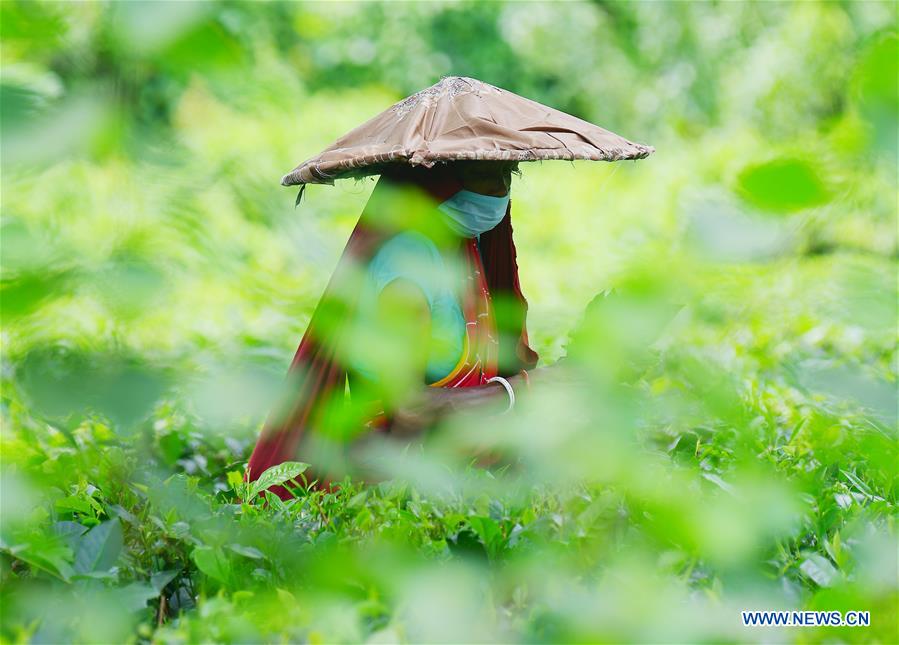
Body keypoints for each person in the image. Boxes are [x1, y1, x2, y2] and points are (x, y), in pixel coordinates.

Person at [247, 161, 540, 497]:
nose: (500, 189)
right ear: (436, 178)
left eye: (508, 173)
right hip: (395, 492)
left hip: (454, 480)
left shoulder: (463, 245)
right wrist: (514, 392)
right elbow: (410, 408)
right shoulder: (407, 262)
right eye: (484, 175)